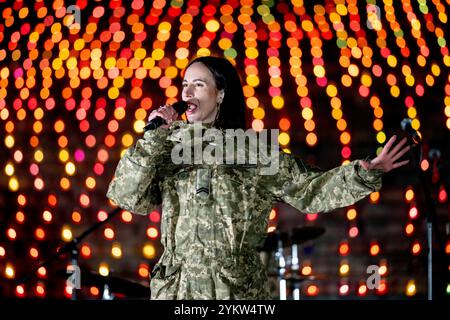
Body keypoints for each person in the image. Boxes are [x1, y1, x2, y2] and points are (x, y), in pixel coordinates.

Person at [106, 56, 410, 299]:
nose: (186, 93)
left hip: (235, 292)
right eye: (185, 84)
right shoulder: (167, 144)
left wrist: (365, 173)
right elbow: (127, 196)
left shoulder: (251, 151)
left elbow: (310, 191)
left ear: (221, 93)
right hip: (176, 291)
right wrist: (152, 138)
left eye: (198, 85)